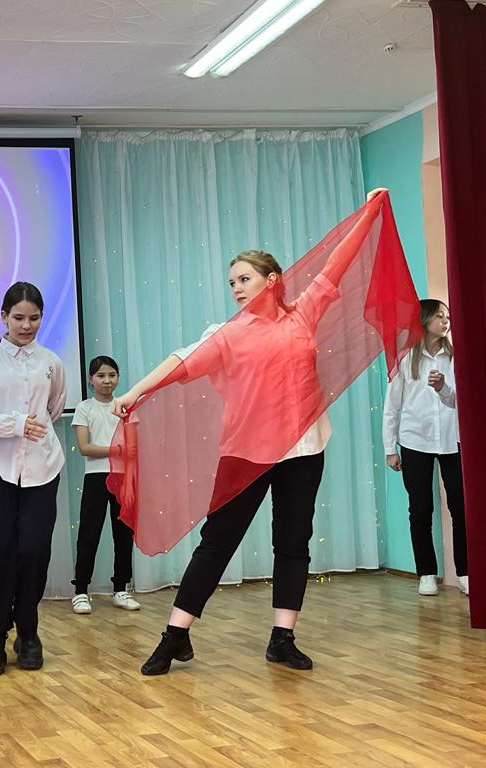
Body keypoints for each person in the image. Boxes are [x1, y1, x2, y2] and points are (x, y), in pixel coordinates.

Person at [112, 189, 416, 676]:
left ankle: (282, 638)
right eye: (231, 282)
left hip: (304, 448)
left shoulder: (304, 313)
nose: (236, 288)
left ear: (272, 280)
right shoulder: (226, 334)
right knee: (217, 542)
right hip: (246, 453)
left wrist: (369, 212)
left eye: (244, 278)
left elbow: (337, 263)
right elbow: (180, 361)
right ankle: (175, 636)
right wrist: (133, 392)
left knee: (293, 543)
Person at [0, 282, 66, 676]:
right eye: (18, 317)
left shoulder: (51, 362)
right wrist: (15, 424)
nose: (26, 325)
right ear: (3, 317)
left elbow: (54, 408)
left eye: (34, 318)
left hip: (42, 469)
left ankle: (28, 631)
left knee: (35, 552)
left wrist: (29, 428)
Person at [383, 299, 466, 596]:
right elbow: (391, 407)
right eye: (440, 316)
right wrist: (390, 448)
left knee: (460, 507)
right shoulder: (405, 359)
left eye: (447, 316)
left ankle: (465, 572)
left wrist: (442, 388)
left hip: (452, 441)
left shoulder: (455, 358)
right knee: (420, 509)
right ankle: (426, 573)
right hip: (414, 441)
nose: (445, 321)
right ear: (424, 320)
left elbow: (459, 402)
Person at [70, 355, 139, 614]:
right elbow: (85, 448)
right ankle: (80, 591)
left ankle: (121, 588)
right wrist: (118, 450)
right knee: (90, 533)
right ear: (91, 379)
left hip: (123, 477)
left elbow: (134, 447)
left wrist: (126, 458)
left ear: (118, 377)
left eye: (112, 375)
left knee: (124, 534)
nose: (107, 381)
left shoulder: (126, 407)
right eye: (100, 376)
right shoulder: (84, 408)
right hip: (96, 477)